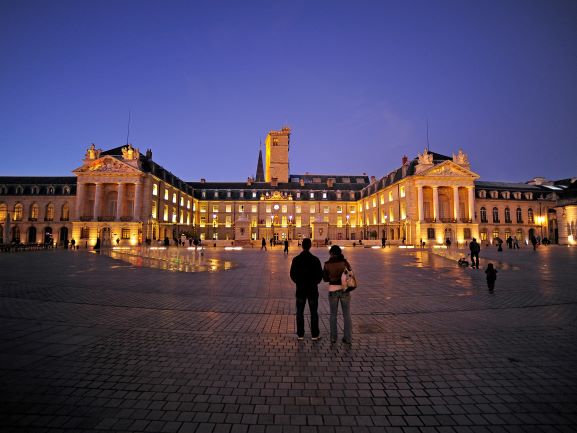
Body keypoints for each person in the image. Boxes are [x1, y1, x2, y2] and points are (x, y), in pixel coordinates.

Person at [290, 238, 323, 341]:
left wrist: (299, 282)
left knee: (300, 312)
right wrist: (314, 283)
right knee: (314, 312)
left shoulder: (296, 259)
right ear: (310, 246)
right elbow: (320, 275)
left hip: (300, 290)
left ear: (302, 246)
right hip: (312, 290)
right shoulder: (315, 259)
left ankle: (300, 334)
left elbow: (292, 275)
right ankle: (314, 334)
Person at [322, 245, 353, 344]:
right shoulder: (344, 262)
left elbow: (325, 279)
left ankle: (333, 337)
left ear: (331, 253)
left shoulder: (327, 264)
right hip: (345, 290)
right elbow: (351, 274)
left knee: (333, 315)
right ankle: (347, 338)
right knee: (346, 315)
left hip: (333, 290)